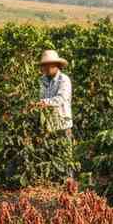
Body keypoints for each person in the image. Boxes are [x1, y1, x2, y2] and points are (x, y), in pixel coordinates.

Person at [37, 49, 75, 177]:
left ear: (56, 65)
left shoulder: (64, 80)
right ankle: (56, 182)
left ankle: (69, 182)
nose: (46, 68)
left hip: (62, 122)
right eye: (44, 65)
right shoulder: (42, 80)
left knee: (66, 155)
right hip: (49, 124)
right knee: (52, 155)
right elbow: (41, 97)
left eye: (49, 65)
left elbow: (61, 98)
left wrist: (43, 103)